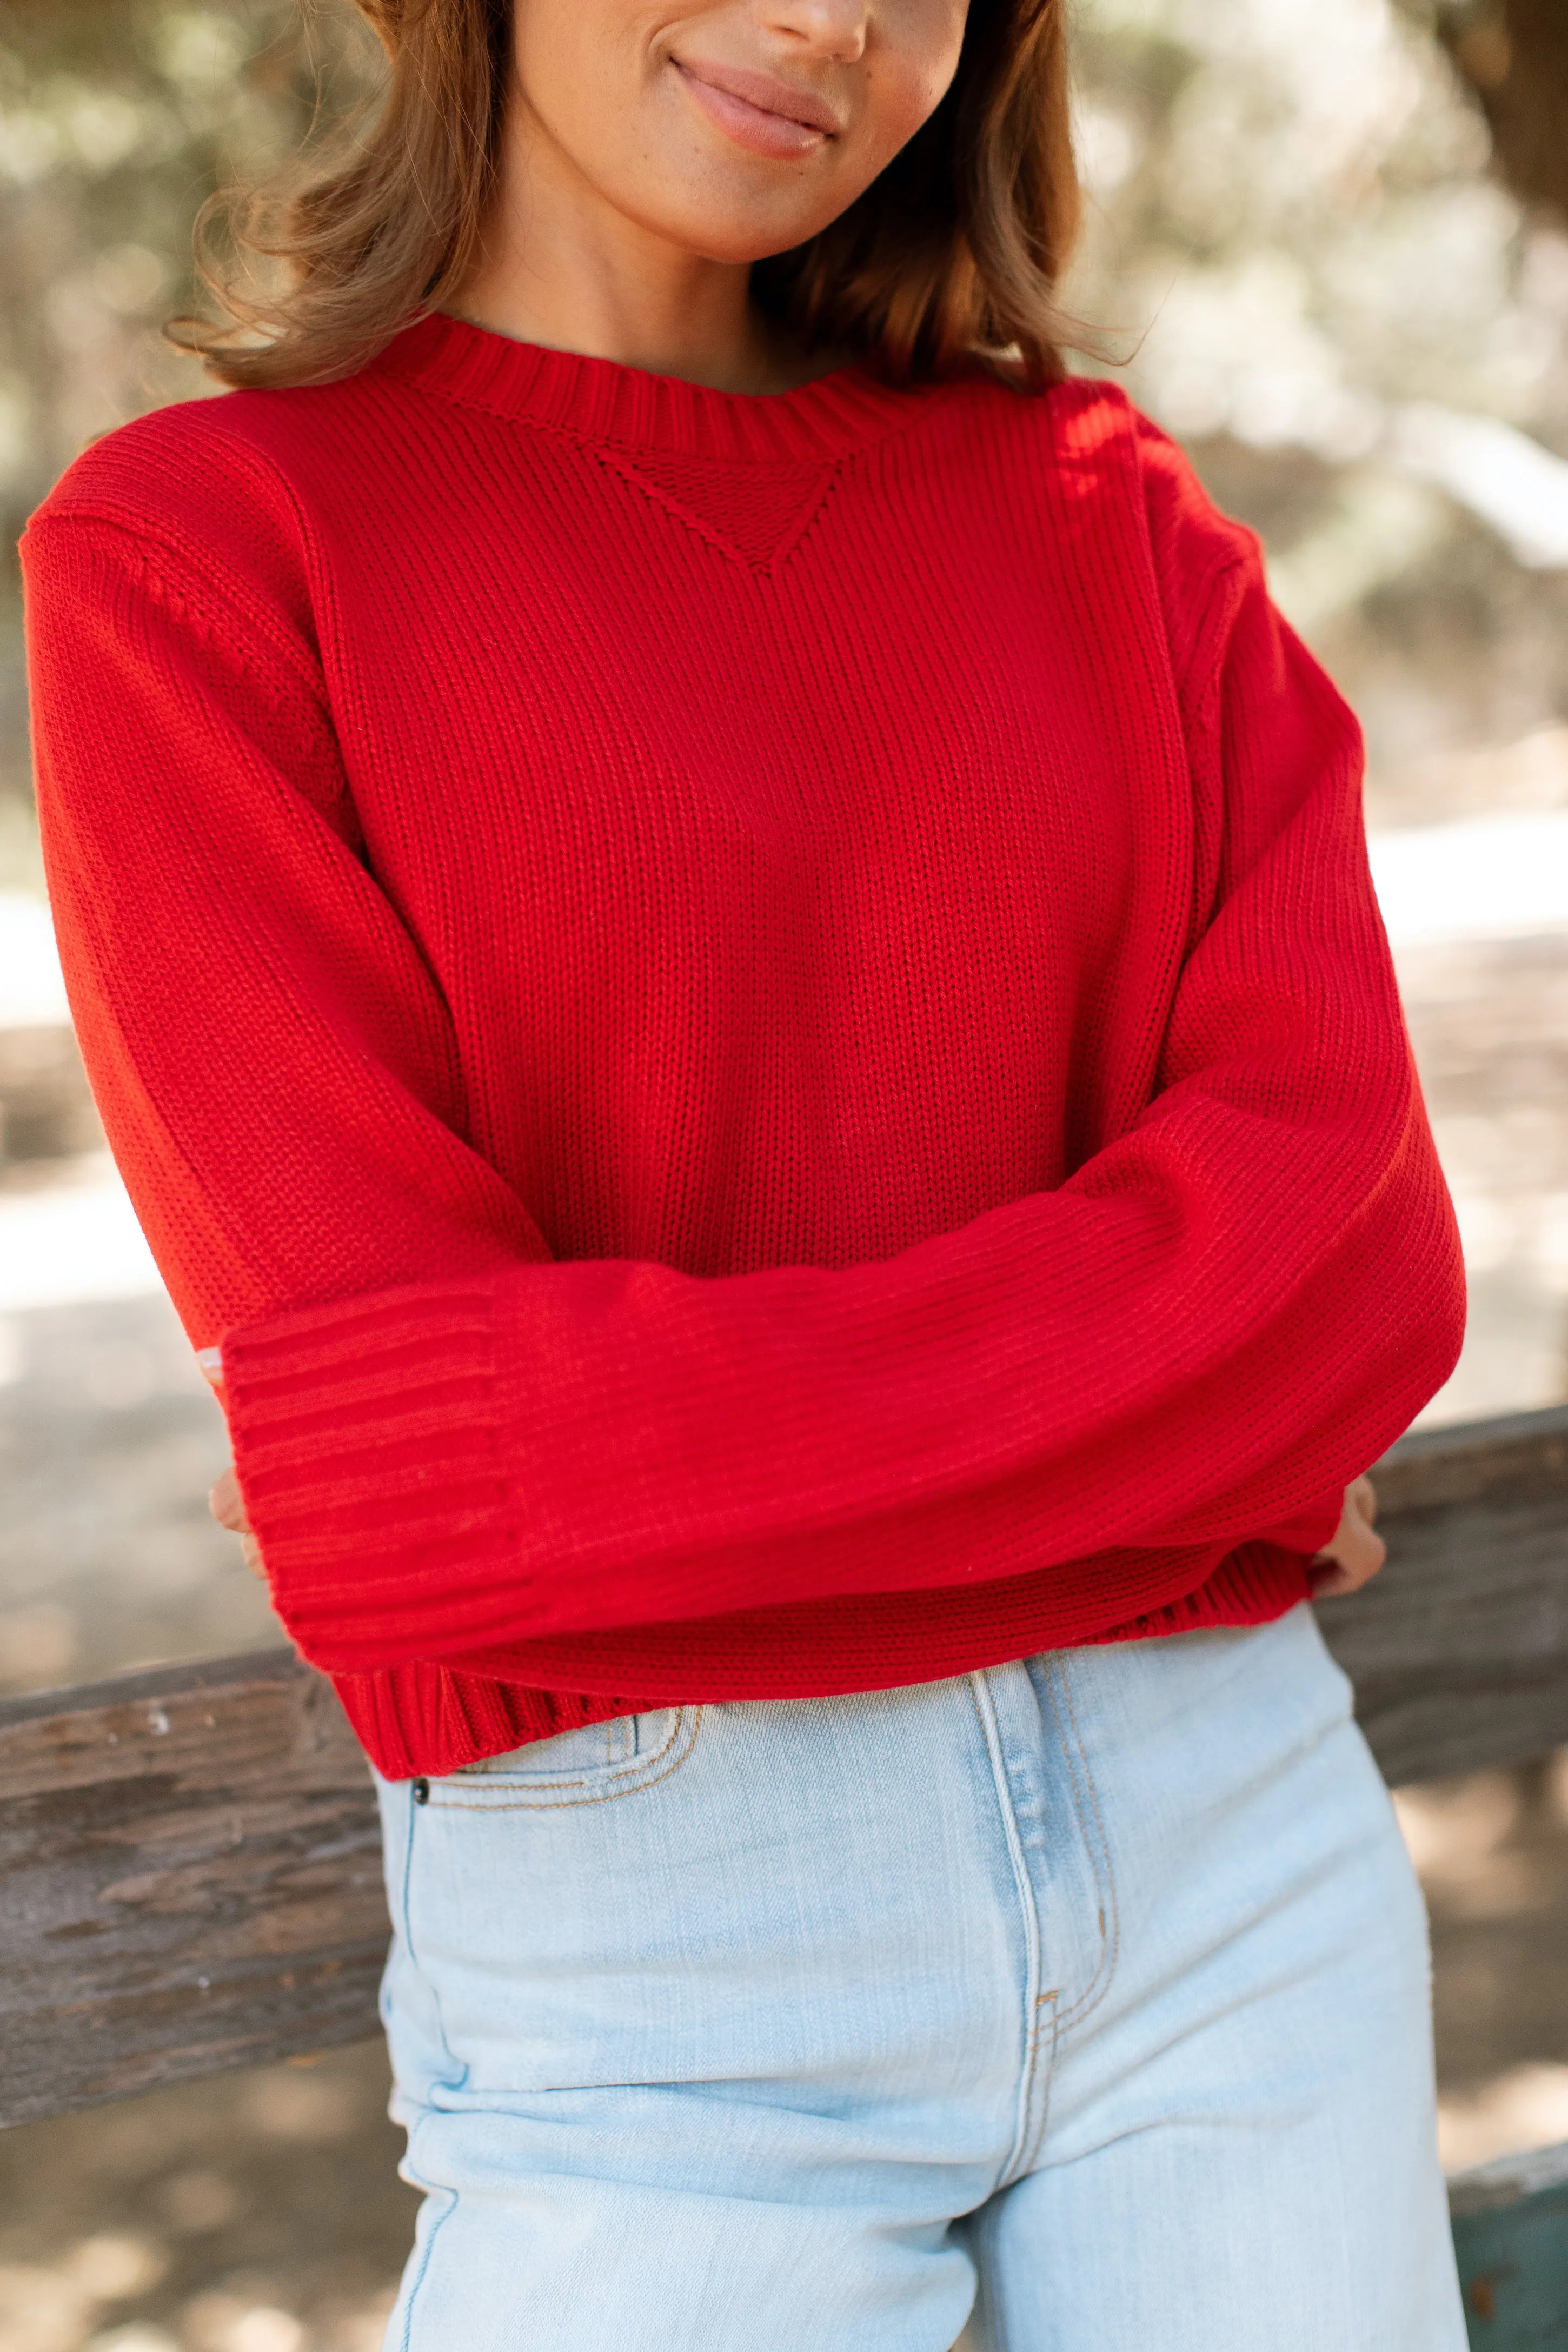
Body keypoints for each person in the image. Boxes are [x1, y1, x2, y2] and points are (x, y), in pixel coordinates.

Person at [21, 0, 1469, 2334]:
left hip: (1232, 1870)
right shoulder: (200, 559)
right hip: (656, 1946)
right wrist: (1175, 1450)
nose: (834, 26)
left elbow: (1359, 1264)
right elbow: (391, 1457)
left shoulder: (1109, 512)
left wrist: (550, 1470)